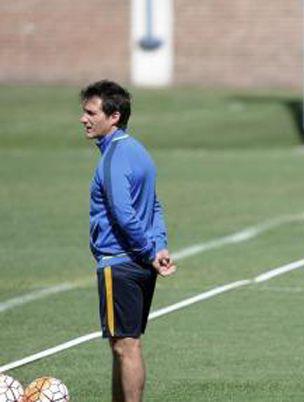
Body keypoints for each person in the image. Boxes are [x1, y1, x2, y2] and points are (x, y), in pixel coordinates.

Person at [81, 80, 176, 401]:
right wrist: (159, 244)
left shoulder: (113, 158)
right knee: (123, 344)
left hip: (119, 262)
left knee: (126, 346)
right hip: (140, 262)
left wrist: (150, 249)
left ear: (114, 116)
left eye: (91, 112)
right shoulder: (139, 152)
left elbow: (123, 213)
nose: (84, 119)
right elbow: (155, 203)